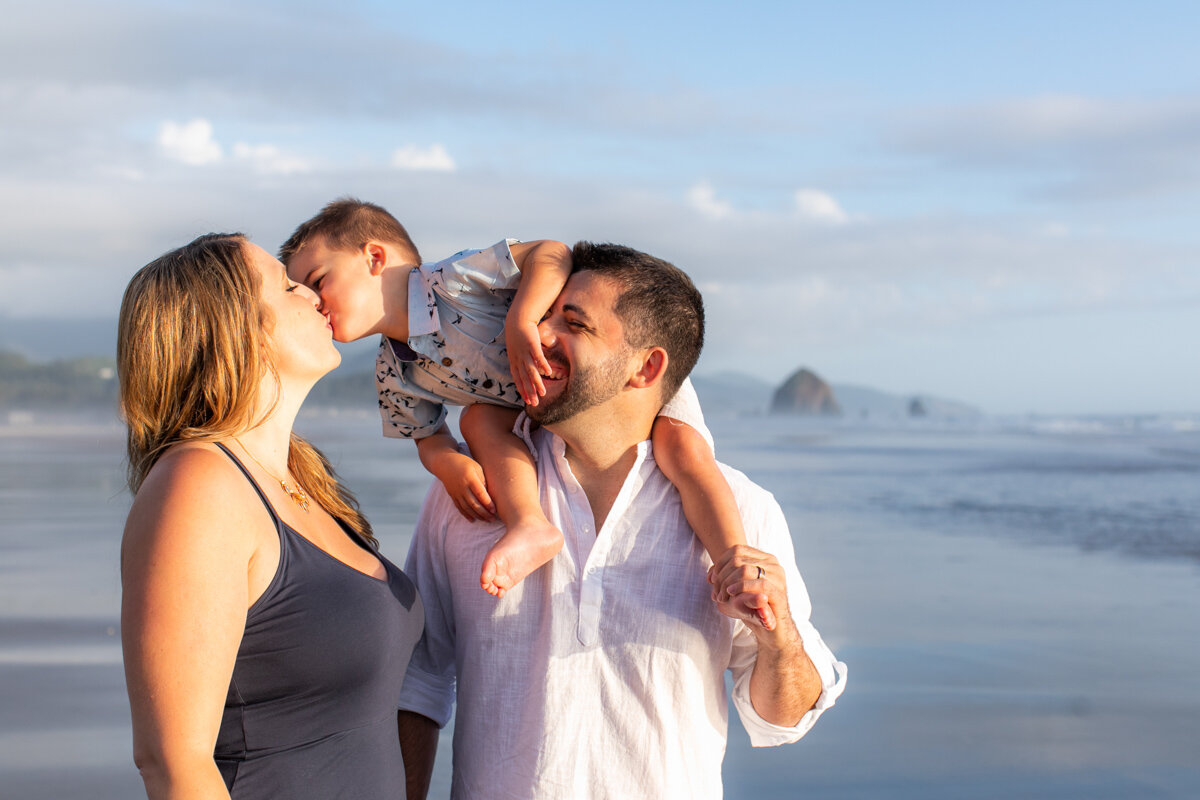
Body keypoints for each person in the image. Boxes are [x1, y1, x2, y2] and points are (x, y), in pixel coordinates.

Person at [396, 242, 848, 799]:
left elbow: (783, 718)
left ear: (647, 366)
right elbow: (415, 680)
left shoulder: (742, 509)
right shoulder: (470, 493)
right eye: (545, 315)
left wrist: (779, 640)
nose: (537, 335)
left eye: (574, 323)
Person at [280, 199, 763, 625]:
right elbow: (428, 436)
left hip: (605, 380)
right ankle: (530, 524)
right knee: (475, 419)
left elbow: (551, 252)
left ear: (374, 257)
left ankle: (734, 562)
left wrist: (523, 318)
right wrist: (450, 466)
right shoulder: (393, 372)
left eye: (317, 281)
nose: (309, 301)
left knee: (681, 449)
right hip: (535, 405)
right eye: (297, 293)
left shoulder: (453, 281)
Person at [117, 233, 424, 799]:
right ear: (238, 328)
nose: (311, 295)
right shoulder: (201, 486)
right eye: (287, 287)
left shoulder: (307, 485)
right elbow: (172, 763)